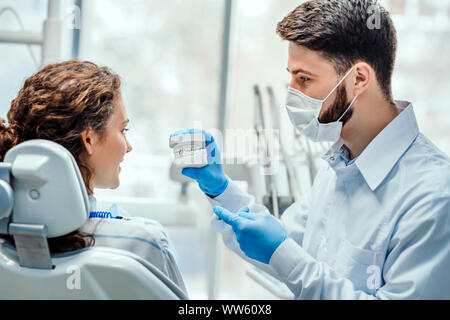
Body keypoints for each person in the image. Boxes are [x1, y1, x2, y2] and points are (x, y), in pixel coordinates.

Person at [171, 0, 450, 299]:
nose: (291, 93)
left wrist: (284, 256)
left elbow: (290, 261)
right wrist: (219, 187)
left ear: (358, 79)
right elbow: (280, 247)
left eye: (304, 79)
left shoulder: (434, 196)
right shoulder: (340, 166)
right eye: (290, 76)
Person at [0, 60, 186, 293]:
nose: (128, 146)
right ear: (88, 140)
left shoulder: (5, 245)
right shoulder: (143, 243)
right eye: (123, 130)